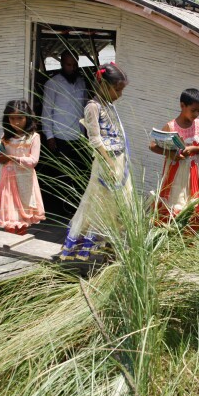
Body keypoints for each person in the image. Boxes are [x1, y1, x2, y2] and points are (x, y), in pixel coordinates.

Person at [60, 63, 131, 260]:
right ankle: (91, 243)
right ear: (103, 86)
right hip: (105, 163)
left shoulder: (110, 106)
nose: (119, 94)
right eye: (117, 90)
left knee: (119, 204)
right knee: (99, 201)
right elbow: (95, 139)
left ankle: (111, 244)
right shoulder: (93, 107)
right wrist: (108, 161)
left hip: (118, 162)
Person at [150, 88, 199, 229]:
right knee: (173, 202)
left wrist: (194, 149)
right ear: (182, 105)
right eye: (193, 110)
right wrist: (170, 154)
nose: (196, 114)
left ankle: (189, 235)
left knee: (193, 204)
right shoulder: (171, 126)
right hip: (175, 173)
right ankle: (166, 234)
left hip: (194, 173)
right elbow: (153, 145)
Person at [40, 50, 90, 218]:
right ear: (62, 64)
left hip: (79, 136)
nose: (72, 68)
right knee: (62, 175)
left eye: (75, 64)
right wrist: (49, 136)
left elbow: (84, 109)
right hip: (60, 137)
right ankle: (61, 211)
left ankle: (74, 208)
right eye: (69, 64)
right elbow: (46, 112)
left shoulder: (82, 83)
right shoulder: (52, 84)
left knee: (78, 173)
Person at [0, 99, 45, 234]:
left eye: (20, 118)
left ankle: (19, 243)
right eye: (12, 118)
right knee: (9, 217)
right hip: (7, 181)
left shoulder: (33, 137)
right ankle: (10, 244)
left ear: (27, 118)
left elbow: (33, 161)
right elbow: (2, 159)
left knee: (22, 217)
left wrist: (11, 158)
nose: (16, 122)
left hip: (24, 181)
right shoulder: (5, 136)